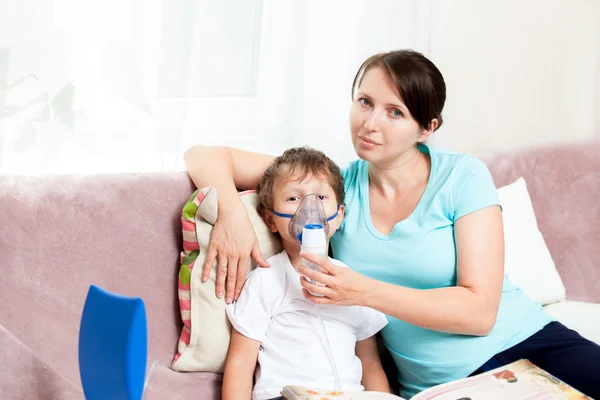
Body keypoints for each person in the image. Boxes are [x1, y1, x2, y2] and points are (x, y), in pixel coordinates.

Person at [184, 50, 600, 399]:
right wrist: (232, 216)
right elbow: (203, 156)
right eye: (364, 101)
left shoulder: (462, 177)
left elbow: (480, 313)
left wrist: (362, 291)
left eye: (394, 112)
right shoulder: (334, 188)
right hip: (445, 384)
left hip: (532, 341)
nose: (370, 123)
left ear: (426, 128)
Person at [221, 147, 390, 400]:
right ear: (270, 220)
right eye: (293, 199)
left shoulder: (354, 285)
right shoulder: (266, 280)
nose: (309, 209)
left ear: (339, 215)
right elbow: (240, 364)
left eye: (321, 197)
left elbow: (371, 365)